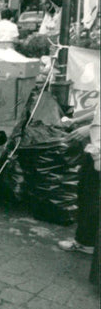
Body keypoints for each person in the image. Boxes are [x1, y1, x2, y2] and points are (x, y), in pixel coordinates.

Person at [58, 105, 100, 255]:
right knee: (87, 190)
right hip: (95, 148)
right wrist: (77, 120)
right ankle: (89, 240)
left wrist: (88, 128)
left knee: (92, 195)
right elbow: (98, 110)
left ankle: (85, 243)